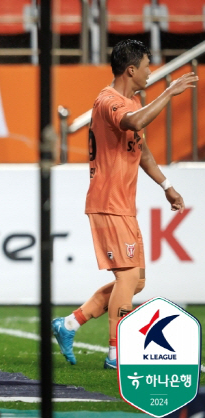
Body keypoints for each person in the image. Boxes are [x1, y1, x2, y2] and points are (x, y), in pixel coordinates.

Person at [52, 39, 198, 369]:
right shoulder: (108, 101)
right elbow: (133, 124)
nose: (151, 72)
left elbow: (141, 149)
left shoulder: (129, 101)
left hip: (122, 205)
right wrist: (168, 93)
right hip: (108, 202)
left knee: (136, 280)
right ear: (131, 69)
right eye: (148, 66)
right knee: (129, 278)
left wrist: (167, 186)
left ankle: (70, 323)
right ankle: (117, 352)